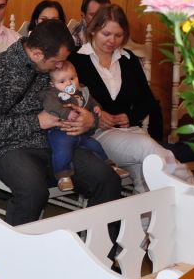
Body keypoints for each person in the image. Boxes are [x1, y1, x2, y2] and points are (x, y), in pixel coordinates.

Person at [0, 19, 123, 225]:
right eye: (57, 61)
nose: (61, 66)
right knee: (33, 191)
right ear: (37, 54)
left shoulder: (55, 69)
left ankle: (94, 244)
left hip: (58, 144)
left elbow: (83, 101)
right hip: (8, 148)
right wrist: (37, 122)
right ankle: (13, 246)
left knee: (108, 180)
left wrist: (90, 120)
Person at [69, 4, 194, 192]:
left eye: (118, 35)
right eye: (106, 34)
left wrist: (130, 116)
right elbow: (67, 100)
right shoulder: (76, 60)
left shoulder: (128, 59)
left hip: (131, 132)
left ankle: (154, 212)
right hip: (96, 135)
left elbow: (147, 100)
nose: (112, 40)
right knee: (149, 149)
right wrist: (96, 116)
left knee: (148, 175)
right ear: (94, 30)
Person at [40, 62, 128, 191]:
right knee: (62, 151)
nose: (69, 83)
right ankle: (63, 176)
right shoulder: (52, 94)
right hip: (61, 131)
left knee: (95, 145)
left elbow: (90, 100)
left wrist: (96, 107)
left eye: (72, 78)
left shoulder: (81, 90)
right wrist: (66, 113)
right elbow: (51, 106)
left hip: (81, 133)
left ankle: (110, 165)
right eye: (62, 81)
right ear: (53, 84)